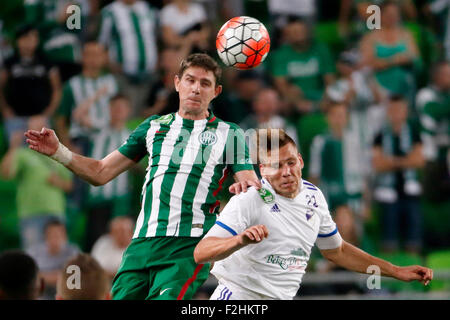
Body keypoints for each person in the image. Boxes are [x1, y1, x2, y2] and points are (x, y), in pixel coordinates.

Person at [24, 53, 260, 300]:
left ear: (216, 91)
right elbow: (101, 172)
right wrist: (59, 151)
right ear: (177, 83)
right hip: (141, 243)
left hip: (188, 246)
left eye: (205, 83)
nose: (196, 88)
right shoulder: (153, 126)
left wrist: (248, 185)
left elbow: (247, 178)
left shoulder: (229, 133)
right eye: (190, 80)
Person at [193, 129, 433, 300]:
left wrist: (396, 271)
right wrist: (239, 240)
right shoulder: (249, 199)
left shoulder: (314, 196)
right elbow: (201, 252)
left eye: (290, 163)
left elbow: (336, 250)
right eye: (276, 165)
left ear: (300, 161)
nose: (286, 172)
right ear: (263, 170)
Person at [0, 116, 73, 250]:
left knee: (59, 255)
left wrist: (59, 182)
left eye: (42, 128)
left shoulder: (58, 154)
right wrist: (13, 147)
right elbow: (6, 174)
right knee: (33, 254)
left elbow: (70, 185)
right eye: (34, 129)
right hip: (31, 213)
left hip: (55, 213)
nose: (39, 132)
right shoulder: (22, 153)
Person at [309, 102, 369, 246]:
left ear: (347, 118)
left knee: (351, 229)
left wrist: (367, 203)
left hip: (353, 196)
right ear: (328, 118)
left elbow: (364, 174)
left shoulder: (356, 141)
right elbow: (314, 175)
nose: (338, 119)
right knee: (336, 226)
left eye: (341, 116)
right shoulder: (320, 142)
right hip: (329, 196)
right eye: (334, 115)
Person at [372, 95, 425, 254]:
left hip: (410, 193)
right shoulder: (380, 135)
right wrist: (405, 160)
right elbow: (378, 164)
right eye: (393, 109)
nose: (396, 113)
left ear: (405, 112)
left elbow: (419, 161)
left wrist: (391, 162)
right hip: (387, 194)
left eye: (399, 110)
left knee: (414, 241)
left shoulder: (414, 132)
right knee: (389, 243)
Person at [83, 94, 133, 251]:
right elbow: (78, 116)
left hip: (120, 197)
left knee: (120, 242)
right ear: (109, 109)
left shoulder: (132, 136)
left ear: (128, 111)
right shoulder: (97, 130)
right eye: (114, 107)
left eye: (121, 107)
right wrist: (97, 94)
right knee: (96, 241)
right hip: (98, 195)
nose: (118, 111)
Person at [0, 24, 61, 141]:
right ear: (18, 40)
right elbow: (1, 88)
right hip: (16, 118)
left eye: (33, 38)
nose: (29, 42)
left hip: (40, 118)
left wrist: (48, 113)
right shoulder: (9, 63)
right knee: (16, 152)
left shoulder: (46, 62)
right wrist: (5, 110)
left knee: (40, 152)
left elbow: (57, 89)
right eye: (26, 38)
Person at [98, 0, 158, 114]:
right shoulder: (109, 12)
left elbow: (156, 38)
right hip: (123, 75)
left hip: (149, 74)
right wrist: (111, 65)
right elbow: (101, 44)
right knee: (126, 114)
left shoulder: (148, 9)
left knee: (146, 115)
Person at [271, 18, 335, 116]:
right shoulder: (281, 54)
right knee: (288, 95)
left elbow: (330, 80)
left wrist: (327, 99)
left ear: (307, 31)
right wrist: (297, 102)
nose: (298, 35)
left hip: (320, 95)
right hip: (294, 99)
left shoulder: (321, 49)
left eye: (300, 31)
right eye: (294, 32)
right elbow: (281, 84)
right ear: (287, 36)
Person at [415, 61, 450, 202]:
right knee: (433, 199)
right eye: (447, 74)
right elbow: (436, 112)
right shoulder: (425, 94)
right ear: (436, 76)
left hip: (447, 154)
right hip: (431, 156)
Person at [27, 219, 80, 300]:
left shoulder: (73, 251)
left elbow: (74, 280)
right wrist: (59, 275)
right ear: (45, 236)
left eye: (58, 235)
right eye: (51, 235)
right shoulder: (34, 252)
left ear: (65, 236)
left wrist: (40, 276)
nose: (55, 238)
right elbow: (26, 277)